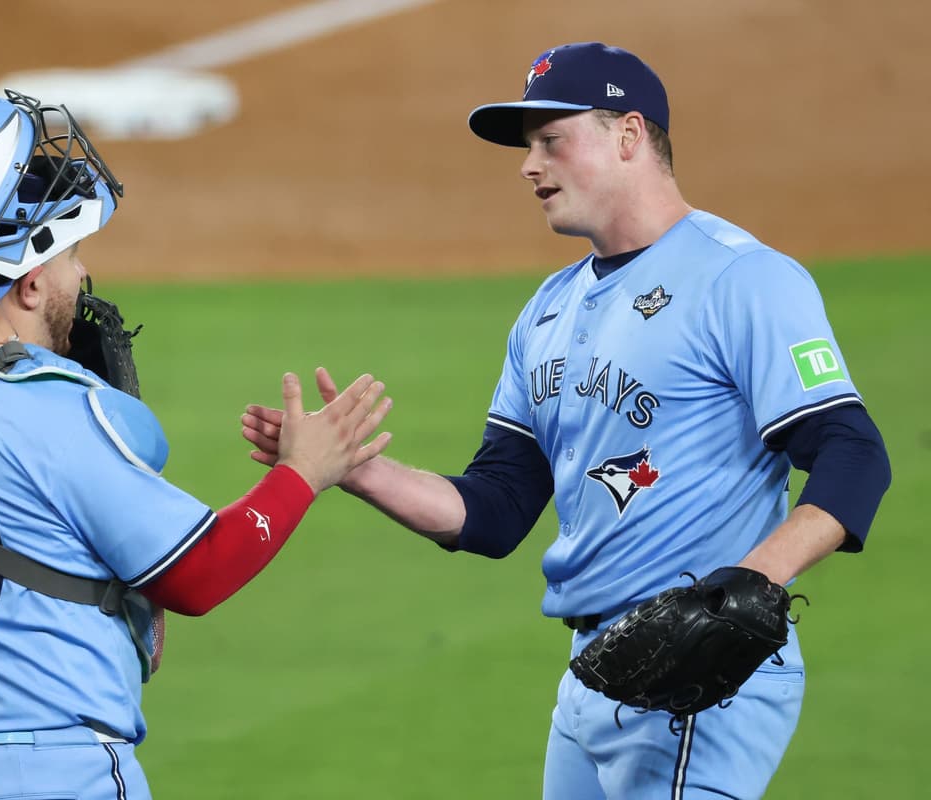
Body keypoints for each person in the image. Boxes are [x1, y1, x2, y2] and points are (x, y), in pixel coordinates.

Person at [242, 42, 890, 799]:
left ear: (629, 136)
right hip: (594, 678)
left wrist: (751, 581)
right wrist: (350, 467)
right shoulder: (548, 310)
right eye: (527, 146)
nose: (529, 164)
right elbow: (495, 510)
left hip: (702, 678)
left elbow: (853, 453)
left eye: (552, 139)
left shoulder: (742, 280)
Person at [0, 89, 392, 800]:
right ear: (26, 284)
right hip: (54, 774)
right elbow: (198, 574)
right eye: (71, 254)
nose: (80, 278)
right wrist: (304, 470)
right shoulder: (53, 411)